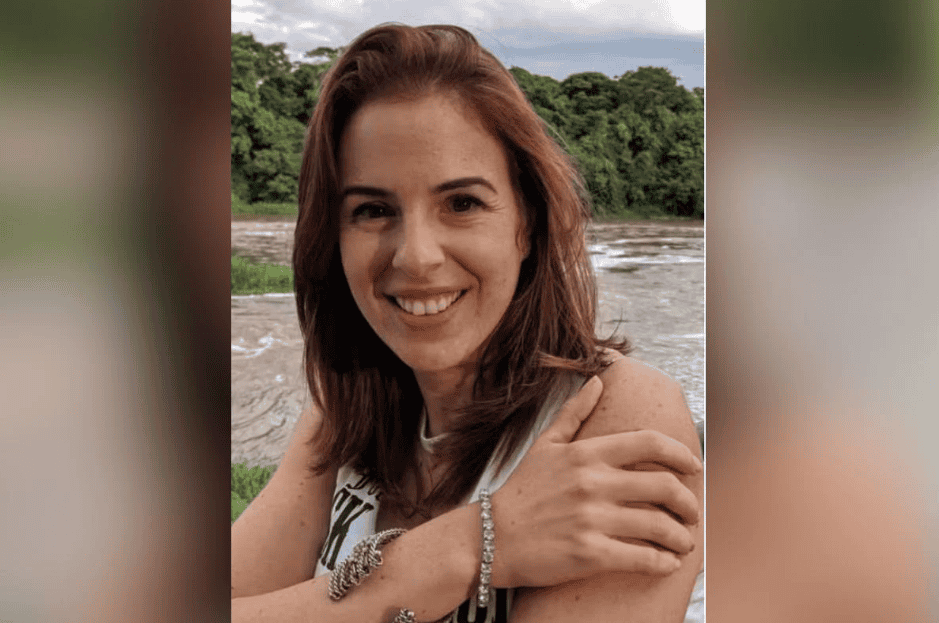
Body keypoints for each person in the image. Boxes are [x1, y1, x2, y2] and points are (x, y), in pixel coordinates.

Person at [231, 24, 703, 623]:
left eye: (462, 203)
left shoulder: (620, 415)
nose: (416, 257)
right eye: (373, 210)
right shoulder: (342, 419)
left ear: (527, 224)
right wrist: (457, 550)